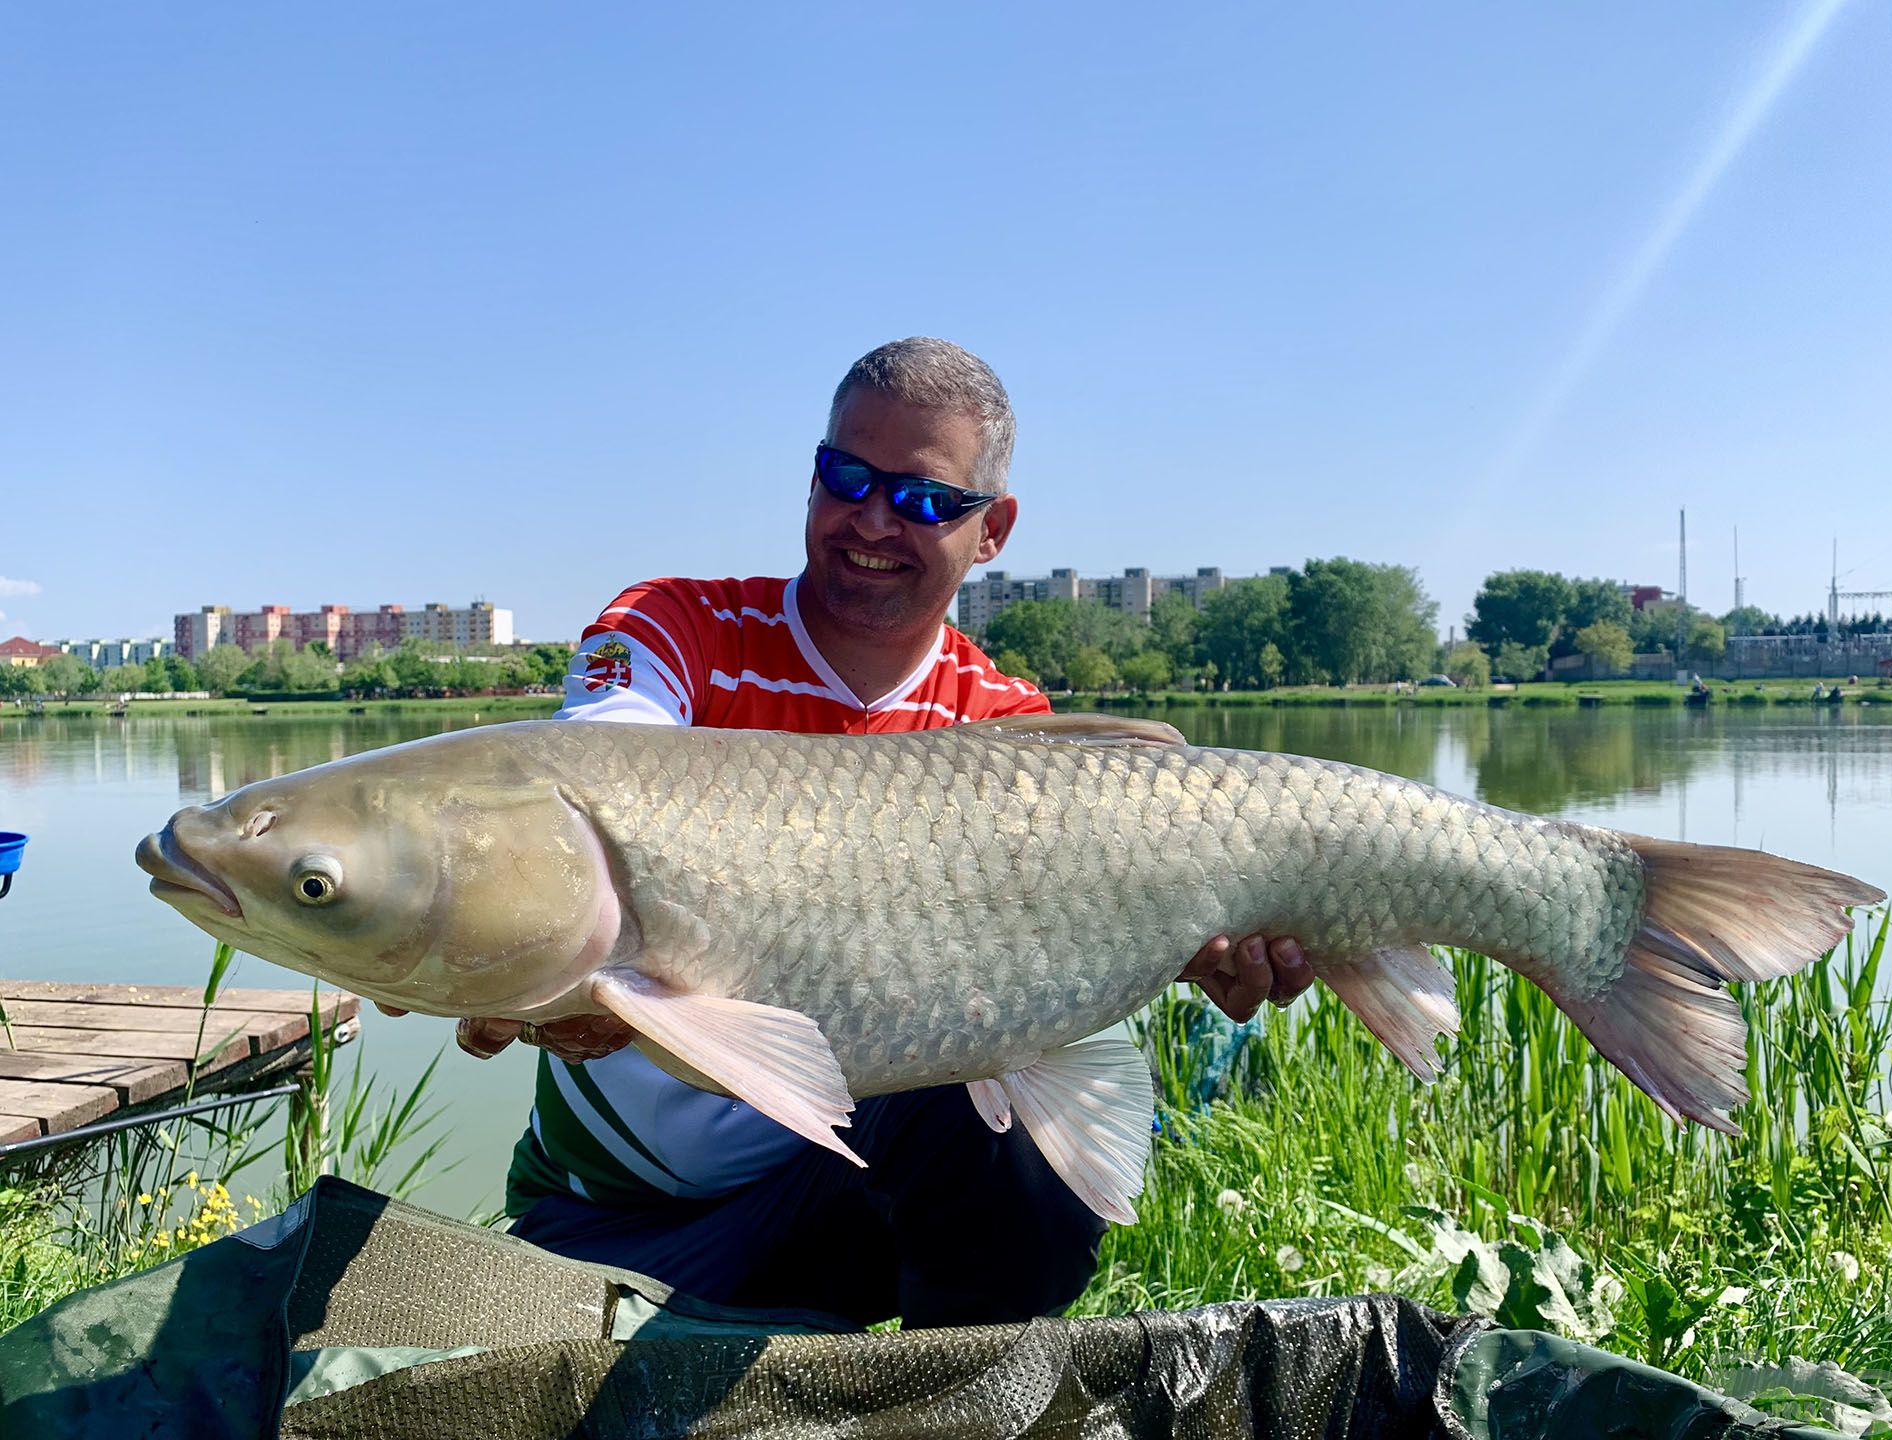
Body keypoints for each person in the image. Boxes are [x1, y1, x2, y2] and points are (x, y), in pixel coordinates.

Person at [433, 339, 1315, 1327]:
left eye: (926, 500)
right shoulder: (670, 628)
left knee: (1012, 1129)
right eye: (845, 477)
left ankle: (951, 1392)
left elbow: (1096, 965)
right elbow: (594, 798)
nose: (872, 520)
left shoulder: (1010, 732)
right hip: (617, 1212)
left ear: (994, 531)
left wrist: (1182, 946)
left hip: (841, 1194)